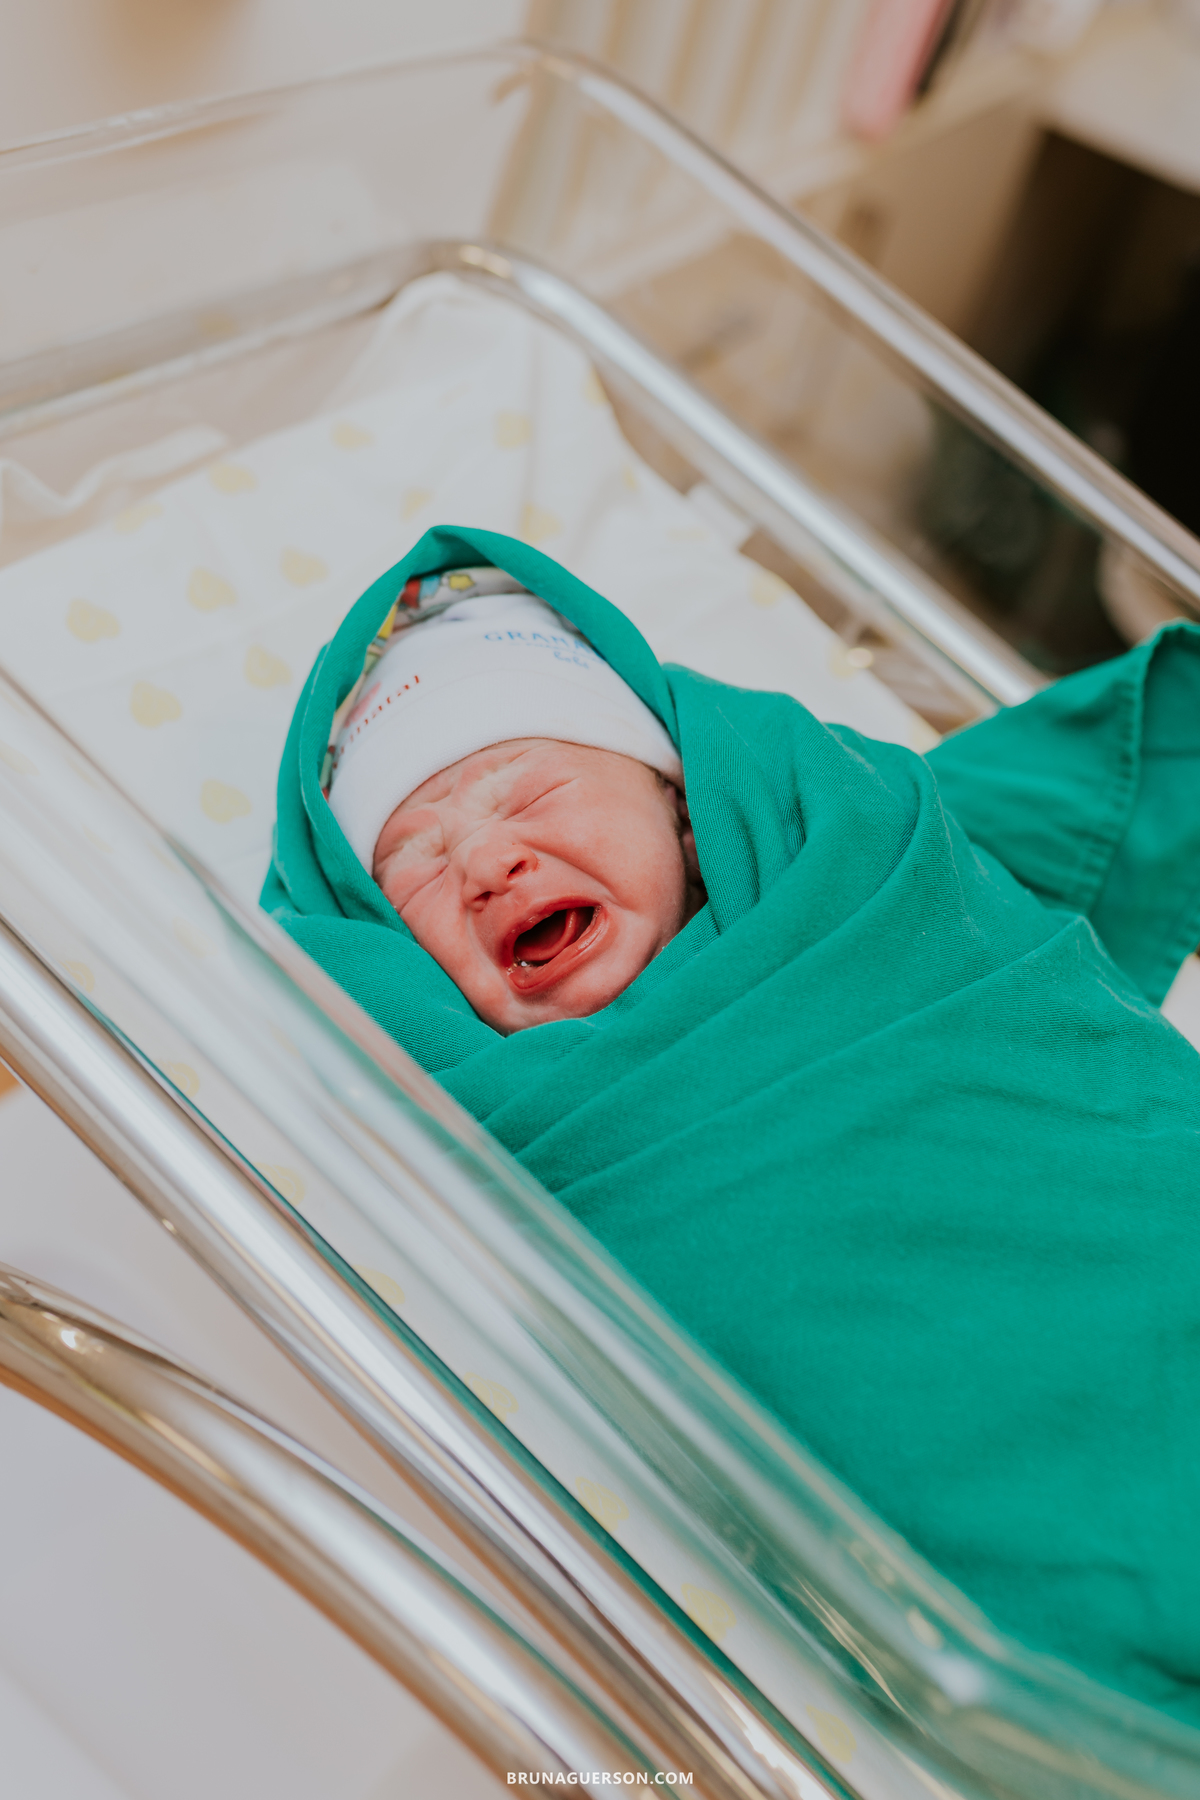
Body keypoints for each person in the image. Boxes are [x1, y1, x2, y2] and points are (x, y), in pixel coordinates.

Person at [265, 525, 1200, 1722]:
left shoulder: (866, 884)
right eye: (417, 867)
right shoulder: (479, 1106)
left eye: (534, 794)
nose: (488, 860)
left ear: (685, 807)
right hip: (997, 1569)